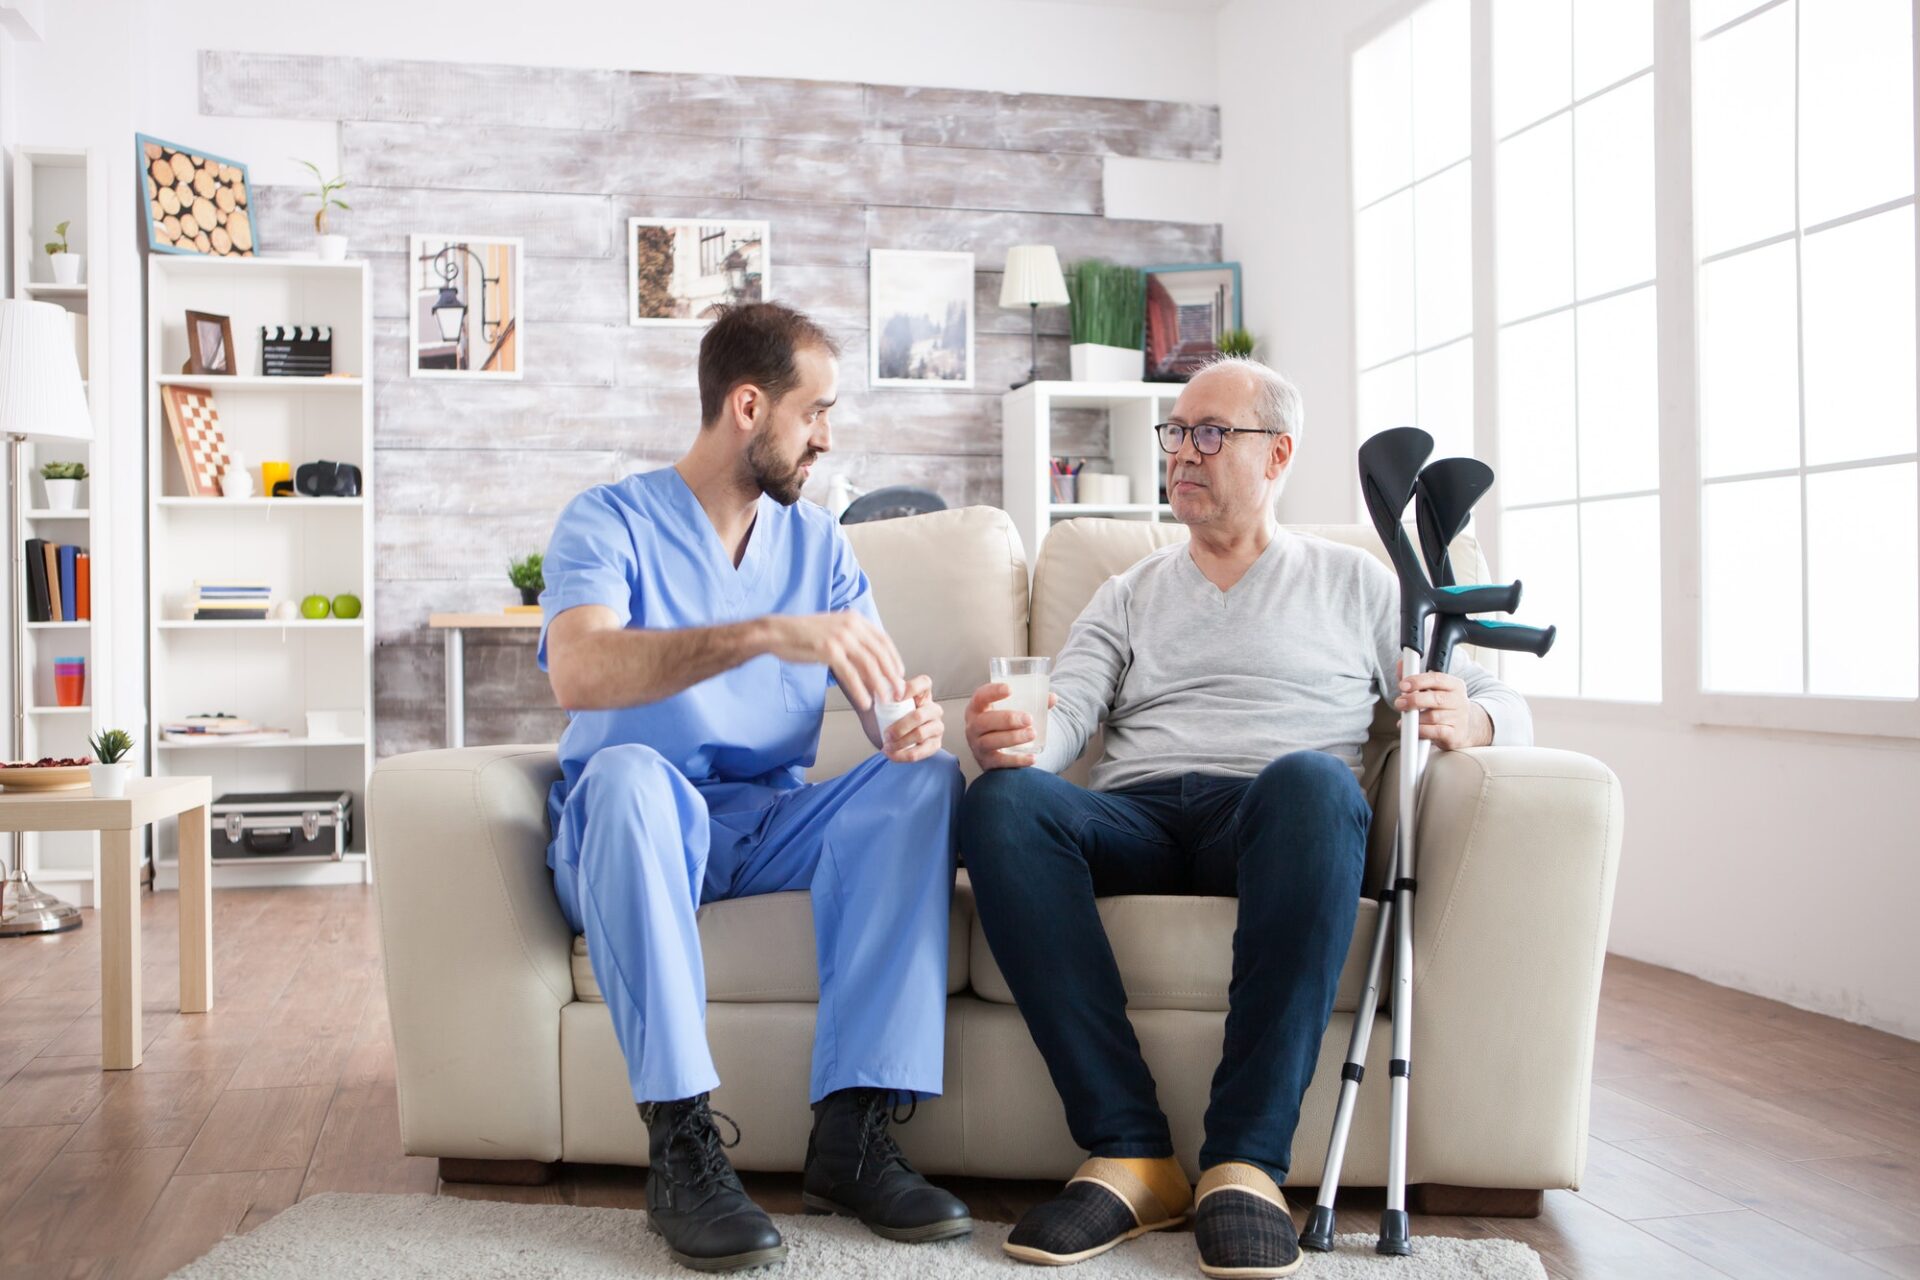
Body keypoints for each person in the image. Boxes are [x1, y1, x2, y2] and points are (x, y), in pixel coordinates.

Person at [959, 358, 1533, 1278]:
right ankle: (1131, 1154)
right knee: (999, 804)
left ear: (1279, 455)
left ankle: (1244, 1165)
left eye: (1212, 433)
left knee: (1311, 783)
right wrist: (1018, 740)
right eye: (1177, 432)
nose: (1184, 452)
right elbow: (1065, 719)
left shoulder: (1362, 584)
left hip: (1277, 816)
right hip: (1139, 816)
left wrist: (1475, 715)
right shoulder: (1129, 593)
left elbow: (1503, 697)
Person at [540, 302, 971, 1273]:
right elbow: (580, 671)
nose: (827, 434)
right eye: (814, 411)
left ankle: (851, 1135)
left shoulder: (818, 545)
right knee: (627, 778)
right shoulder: (607, 520)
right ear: (747, 406)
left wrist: (906, 724)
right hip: (636, 824)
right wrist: (770, 632)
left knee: (923, 784)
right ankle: (682, 1141)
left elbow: (881, 699)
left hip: (764, 823)